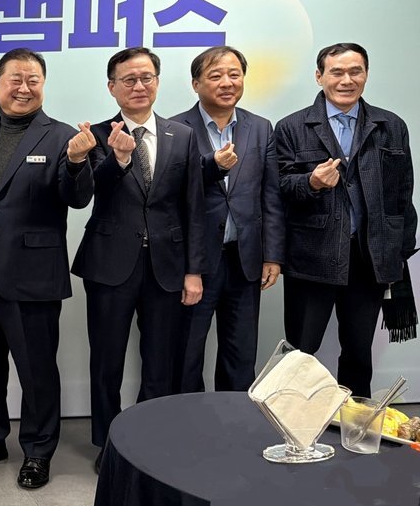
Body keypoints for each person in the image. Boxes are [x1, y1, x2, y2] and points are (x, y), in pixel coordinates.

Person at [0, 48, 95, 490]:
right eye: (15, 79)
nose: (24, 88)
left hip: (33, 273)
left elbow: (77, 198)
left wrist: (77, 162)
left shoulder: (64, 136)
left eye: (33, 80)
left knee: (37, 369)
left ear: (43, 86)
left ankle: (38, 450)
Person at [71, 46, 205, 472]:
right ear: (112, 87)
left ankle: (151, 437)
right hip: (109, 263)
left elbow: (194, 207)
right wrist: (120, 158)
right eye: (128, 79)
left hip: (167, 266)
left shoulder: (182, 135)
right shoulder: (96, 134)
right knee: (106, 360)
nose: (139, 86)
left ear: (158, 83)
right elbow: (90, 192)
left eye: (146, 77)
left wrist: (193, 270)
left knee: (160, 361)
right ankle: (108, 443)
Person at [274, 42, 417, 398]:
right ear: (319, 76)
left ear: (366, 75)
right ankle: (295, 420)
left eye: (356, 72)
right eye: (336, 72)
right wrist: (311, 182)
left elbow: (403, 193)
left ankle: (353, 421)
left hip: (368, 258)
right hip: (311, 257)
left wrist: (398, 251)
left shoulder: (390, 125)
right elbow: (279, 188)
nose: (347, 80)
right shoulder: (292, 127)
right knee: (301, 351)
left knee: (358, 351)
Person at [171, 46, 285, 393]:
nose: (227, 82)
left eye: (234, 74)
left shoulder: (260, 128)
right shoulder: (175, 129)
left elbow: (270, 196)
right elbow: (171, 193)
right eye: (216, 75)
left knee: (241, 353)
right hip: (195, 262)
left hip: (244, 258)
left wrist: (272, 255)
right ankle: (188, 418)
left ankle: (233, 418)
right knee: (186, 352)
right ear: (196, 84)